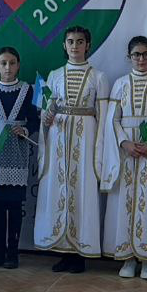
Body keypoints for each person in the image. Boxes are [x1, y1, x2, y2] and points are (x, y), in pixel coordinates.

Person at [34, 26, 111, 272]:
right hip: (58, 136)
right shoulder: (54, 75)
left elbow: (104, 117)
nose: (75, 46)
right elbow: (46, 108)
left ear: (88, 45)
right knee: (60, 186)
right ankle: (63, 250)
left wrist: (99, 149)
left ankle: (80, 252)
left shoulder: (99, 77)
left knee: (82, 188)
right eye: (70, 41)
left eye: (80, 41)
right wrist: (46, 118)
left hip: (86, 138)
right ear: (64, 45)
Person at [101, 35, 147, 280]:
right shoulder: (120, 83)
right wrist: (125, 142)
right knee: (124, 200)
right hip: (125, 150)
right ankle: (127, 258)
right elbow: (113, 118)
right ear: (129, 57)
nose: (141, 59)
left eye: (145, 54)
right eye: (136, 55)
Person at [0, 46, 40, 269]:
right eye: (3, 63)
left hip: (18, 154)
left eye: (12, 63)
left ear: (18, 65)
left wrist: (25, 130)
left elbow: (34, 120)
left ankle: (13, 253)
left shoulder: (26, 90)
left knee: (15, 206)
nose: (8, 67)